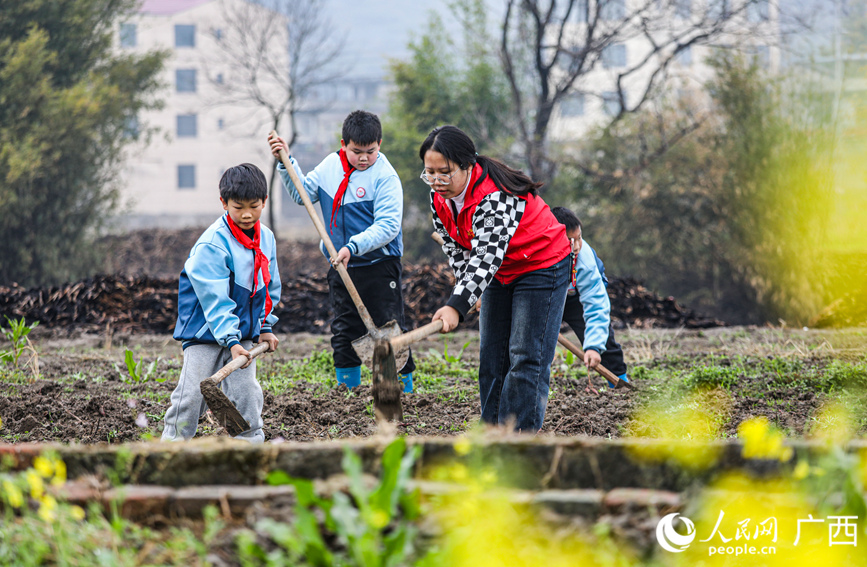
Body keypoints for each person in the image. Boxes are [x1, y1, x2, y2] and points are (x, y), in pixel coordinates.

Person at [421, 125, 571, 432]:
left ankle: (518, 441)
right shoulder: (439, 199)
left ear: (467, 165)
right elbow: (456, 247)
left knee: (525, 357)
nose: (437, 181)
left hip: (541, 265)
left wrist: (456, 305)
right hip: (499, 271)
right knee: (492, 357)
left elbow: (487, 256)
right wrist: (469, 291)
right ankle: (490, 434)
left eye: (445, 172)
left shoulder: (493, 197)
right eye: (430, 173)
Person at [268, 110, 415, 392]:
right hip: (342, 266)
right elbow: (302, 195)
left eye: (370, 152)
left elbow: (388, 227)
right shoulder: (329, 168)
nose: (363, 158)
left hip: (379, 265)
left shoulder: (385, 176)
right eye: (356, 151)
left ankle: (400, 393)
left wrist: (353, 246)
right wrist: (287, 165)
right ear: (343, 144)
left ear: (379, 145)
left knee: (387, 328)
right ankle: (346, 395)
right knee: (345, 330)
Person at [162, 163, 281, 443]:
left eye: (254, 205)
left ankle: (248, 446)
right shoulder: (213, 244)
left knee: (246, 394)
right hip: (206, 333)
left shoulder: (267, 238)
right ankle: (173, 447)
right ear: (223, 203)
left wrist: (264, 326)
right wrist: (230, 339)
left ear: (265, 201)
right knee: (191, 395)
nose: (247, 214)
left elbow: (269, 286)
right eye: (238, 207)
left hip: (243, 335)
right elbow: (215, 301)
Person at [550, 206, 629, 388]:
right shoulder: (536, 252)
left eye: (579, 238)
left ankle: (620, 383)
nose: (576, 246)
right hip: (546, 295)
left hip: (576, 297)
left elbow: (596, 305)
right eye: (570, 241)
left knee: (605, 342)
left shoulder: (585, 260)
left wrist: (593, 346)